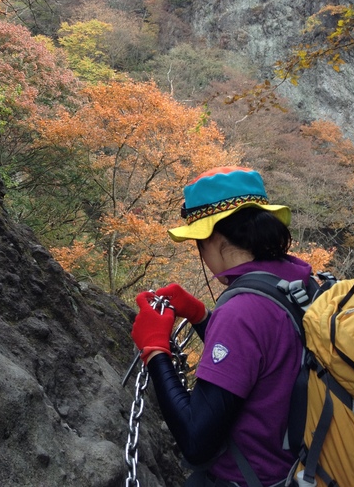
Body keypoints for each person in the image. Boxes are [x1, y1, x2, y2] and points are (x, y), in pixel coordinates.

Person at [131, 166, 313, 487]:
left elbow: (196, 441)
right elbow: (265, 354)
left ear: (214, 238)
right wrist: (201, 317)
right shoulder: (300, 281)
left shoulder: (241, 311)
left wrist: (155, 351)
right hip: (309, 467)